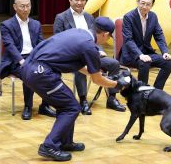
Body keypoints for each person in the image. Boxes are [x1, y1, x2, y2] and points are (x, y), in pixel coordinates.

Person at [21, 16, 131, 161]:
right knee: (71, 107)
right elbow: (97, 80)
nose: (108, 40)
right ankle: (49, 146)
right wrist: (118, 84)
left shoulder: (79, 33)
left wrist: (101, 75)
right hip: (42, 73)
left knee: (66, 104)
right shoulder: (89, 46)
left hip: (30, 69)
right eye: (109, 37)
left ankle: (65, 142)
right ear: (104, 34)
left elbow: (80, 66)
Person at [53, 0, 126, 115]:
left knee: (114, 64)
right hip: (71, 58)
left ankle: (112, 98)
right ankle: (83, 100)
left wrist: (99, 49)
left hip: (92, 54)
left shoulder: (89, 17)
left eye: (82, 0)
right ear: (70, 0)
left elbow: (97, 36)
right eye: (76, 0)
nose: (80, 3)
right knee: (81, 65)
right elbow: (57, 41)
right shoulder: (61, 17)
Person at [0, 0, 56, 120]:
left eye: (28, 6)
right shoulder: (6, 25)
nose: (25, 9)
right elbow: (10, 47)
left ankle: (45, 105)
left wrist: (45, 58)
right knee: (29, 72)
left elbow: (41, 44)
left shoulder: (36, 24)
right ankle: (28, 106)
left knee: (51, 70)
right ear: (15, 7)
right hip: (16, 60)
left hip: (34, 57)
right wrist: (22, 61)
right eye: (22, 6)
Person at [120, 0, 171, 90]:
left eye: (148, 4)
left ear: (152, 5)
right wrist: (140, 55)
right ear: (137, 2)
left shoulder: (153, 16)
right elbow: (128, 40)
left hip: (146, 52)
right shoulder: (128, 17)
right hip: (132, 54)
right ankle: (142, 91)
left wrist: (165, 52)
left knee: (168, 62)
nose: (145, 7)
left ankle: (157, 91)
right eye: (142, 3)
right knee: (144, 63)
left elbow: (159, 35)